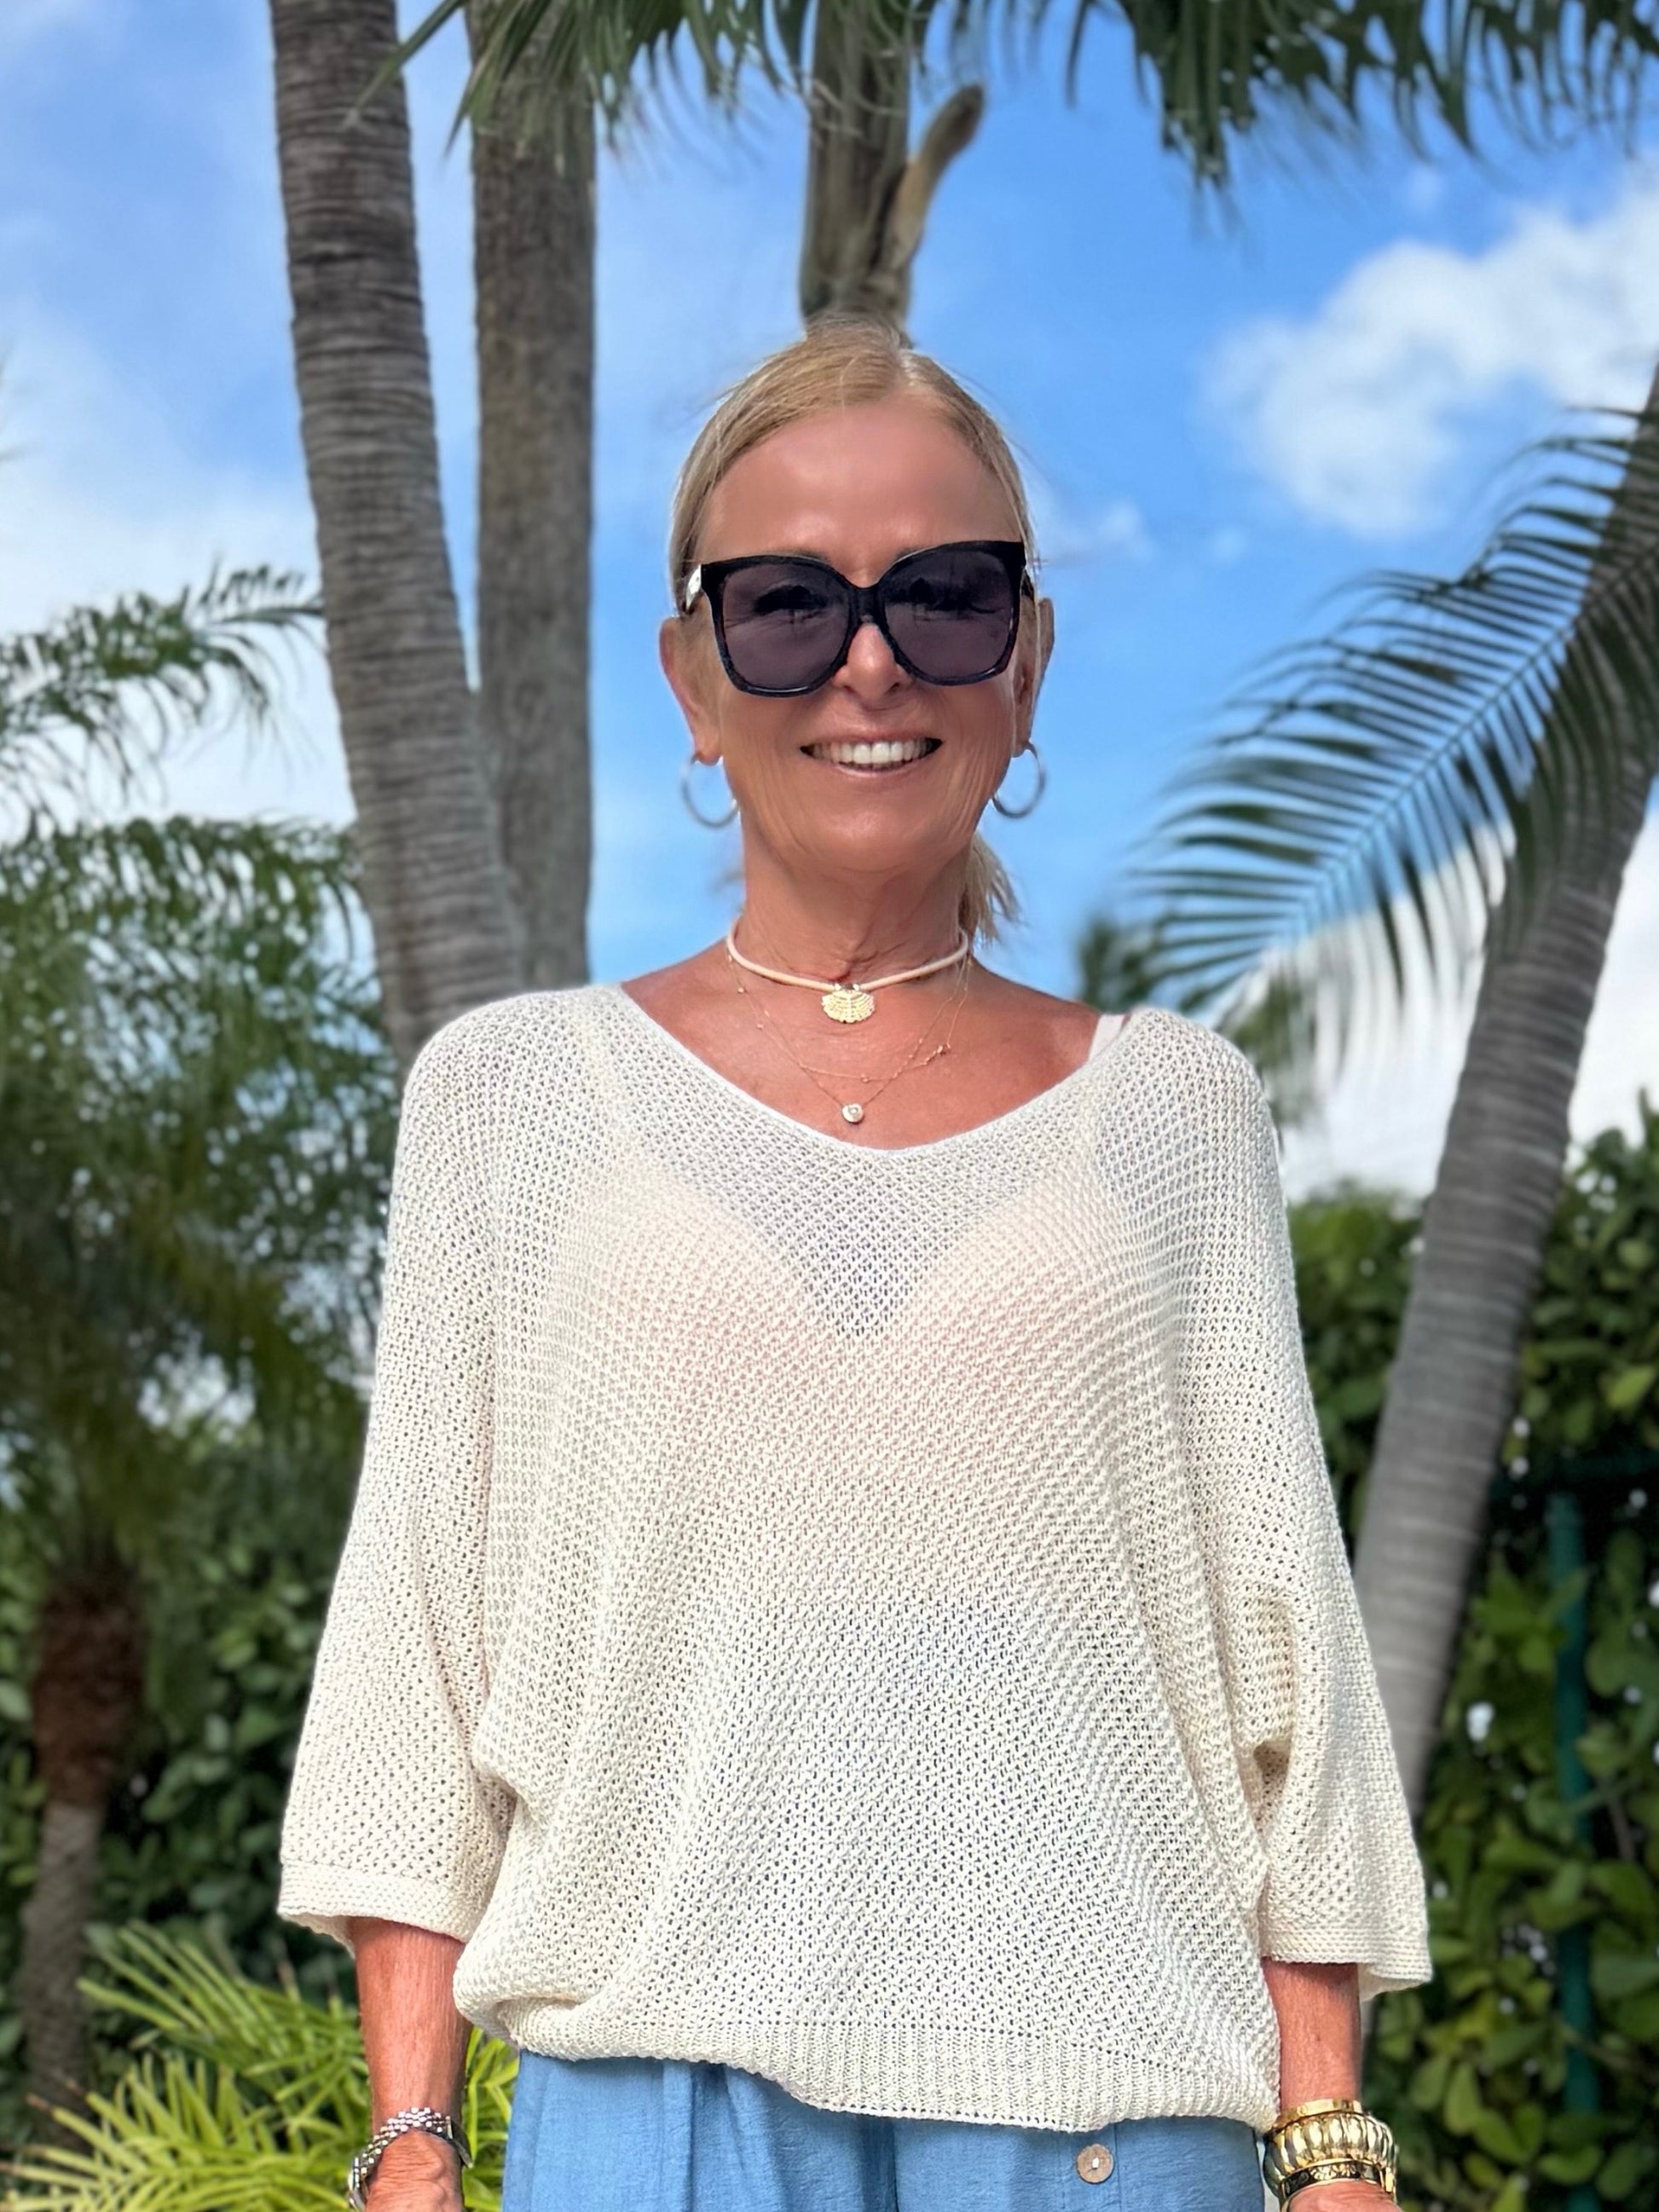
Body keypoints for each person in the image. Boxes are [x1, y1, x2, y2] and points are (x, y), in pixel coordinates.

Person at [276, 318, 1432, 2212]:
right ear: (692, 675)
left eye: (943, 596)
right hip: (651, 2121)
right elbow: (419, 1635)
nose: (871, 661)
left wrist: (1327, 2139)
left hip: (1113, 2118)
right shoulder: (508, 1098)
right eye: (788, 607)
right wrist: (410, 2142)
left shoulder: (1175, 1109)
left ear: (1026, 658)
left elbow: (1278, 1640)